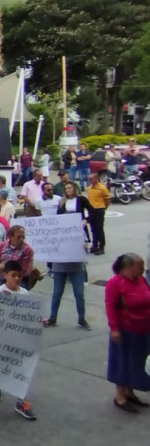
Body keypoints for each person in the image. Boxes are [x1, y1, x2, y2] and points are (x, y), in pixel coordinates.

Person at [0, 262, 38, 420]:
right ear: (5, 275)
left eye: (19, 276)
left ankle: (21, 401)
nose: (17, 278)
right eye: (13, 275)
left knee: (23, 370)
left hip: (20, 339)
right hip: (3, 338)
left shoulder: (24, 292)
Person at [104, 253, 150, 413]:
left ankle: (130, 393)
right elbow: (110, 307)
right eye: (140, 266)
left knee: (136, 362)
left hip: (143, 329)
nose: (143, 270)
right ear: (128, 267)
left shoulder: (141, 280)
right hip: (125, 330)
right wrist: (114, 329)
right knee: (122, 362)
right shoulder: (115, 283)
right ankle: (120, 397)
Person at [86, 172, 110, 255]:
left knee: (99, 229)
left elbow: (107, 199)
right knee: (93, 229)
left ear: (96, 179)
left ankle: (101, 247)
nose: (89, 180)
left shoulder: (102, 188)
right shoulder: (89, 189)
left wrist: (103, 208)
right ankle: (94, 245)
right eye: (89, 179)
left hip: (99, 209)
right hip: (91, 210)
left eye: (91, 179)